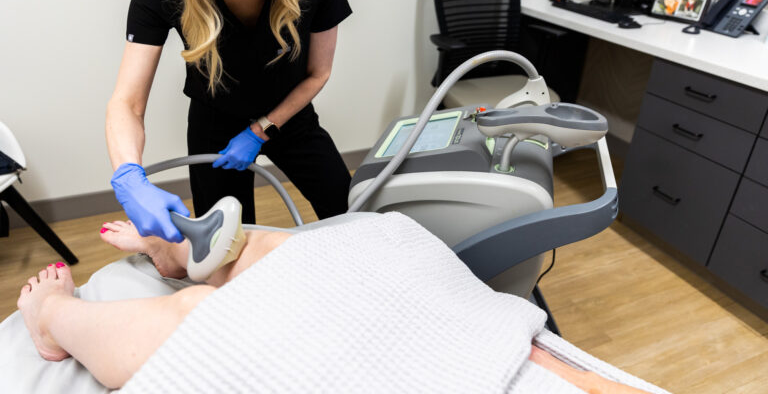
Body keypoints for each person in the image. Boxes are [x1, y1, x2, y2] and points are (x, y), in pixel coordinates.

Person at [17, 219, 654, 393]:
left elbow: (317, 72)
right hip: (502, 349)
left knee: (205, 330)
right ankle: (184, 258)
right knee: (374, 237)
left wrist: (260, 130)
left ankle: (52, 320)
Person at [106, 0, 352, 243]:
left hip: (290, 118)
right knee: (226, 245)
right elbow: (127, 102)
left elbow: (319, 73)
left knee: (350, 211)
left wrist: (260, 130)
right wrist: (128, 175)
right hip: (214, 126)